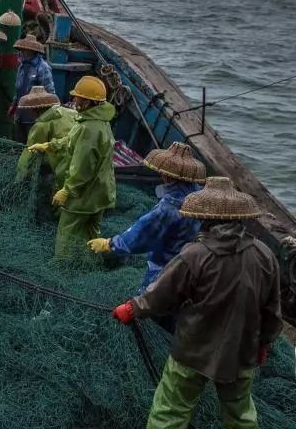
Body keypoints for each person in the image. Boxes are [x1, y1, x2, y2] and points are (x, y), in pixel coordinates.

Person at [111, 176, 281, 429]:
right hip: (241, 351)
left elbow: (160, 295)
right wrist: (263, 343)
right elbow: (272, 309)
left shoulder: (194, 254)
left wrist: (132, 308)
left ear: (205, 218)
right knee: (241, 414)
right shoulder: (265, 255)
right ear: (239, 218)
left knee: (170, 411)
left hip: (193, 350)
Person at [87, 141, 206, 294]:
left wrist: (109, 244)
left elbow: (143, 233)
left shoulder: (169, 208)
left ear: (167, 175)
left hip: (167, 266)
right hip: (192, 264)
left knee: (151, 299)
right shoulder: (199, 195)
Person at [27, 75, 116, 259]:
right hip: (101, 192)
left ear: (88, 101)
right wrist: (49, 146)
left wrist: (68, 190)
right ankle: (91, 266)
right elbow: (71, 140)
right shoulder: (98, 120)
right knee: (90, 235)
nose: (74, 99)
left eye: (78, 97)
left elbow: (83, 166)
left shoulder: (89, 128)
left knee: (67, 234)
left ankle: (63, 268)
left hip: (84, 196)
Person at [13, 86, 76, 223]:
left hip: (63, 165)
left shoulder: (41, 126)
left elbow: (28, 153)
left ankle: (57, 223)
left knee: (60, 199)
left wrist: (19, 177)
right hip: (82, 160)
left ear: (34, 109)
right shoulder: (70, 113)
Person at [11, 35, 55, 142]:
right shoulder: (22, 65)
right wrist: (14, 105)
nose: (21, 52)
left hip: (34, 114)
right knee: (18, 141)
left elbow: (50, 92)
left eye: (23, 50)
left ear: (30, 51)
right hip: (20, 112)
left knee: (32, 142)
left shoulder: (42, 67)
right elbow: (18, 87)